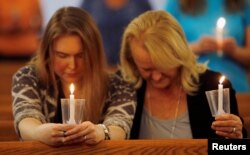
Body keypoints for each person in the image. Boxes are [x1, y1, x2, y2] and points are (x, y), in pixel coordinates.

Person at [11, 7, 136, 146]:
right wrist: (39, 132)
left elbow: (120, 125)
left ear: (93, 52)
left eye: (81, 55)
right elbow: (26, 116)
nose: (72, 65)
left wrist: (101, 132)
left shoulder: (117, 86)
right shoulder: (29, 77)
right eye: (62, 55)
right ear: (48, 52)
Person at [119, 10, 247, 139]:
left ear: (179, 54)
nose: (156, 77)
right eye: (146, 69)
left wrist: (236, 137)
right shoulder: (123, 87)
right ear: (132, 62)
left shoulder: (213, 86)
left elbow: (233, 147)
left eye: (163, 66)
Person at [164, 0, 250, 92]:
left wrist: (234, 51)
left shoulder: (243, 4)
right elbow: (164, 52)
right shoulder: (176, 3)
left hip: (236, 88)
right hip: (191, 88)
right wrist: (196, 48)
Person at [81, 0, 152, 72]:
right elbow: (81, 36)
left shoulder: (141, 3)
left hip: (135, 72)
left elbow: (152, 36)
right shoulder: (89, 3)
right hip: (99, 72)